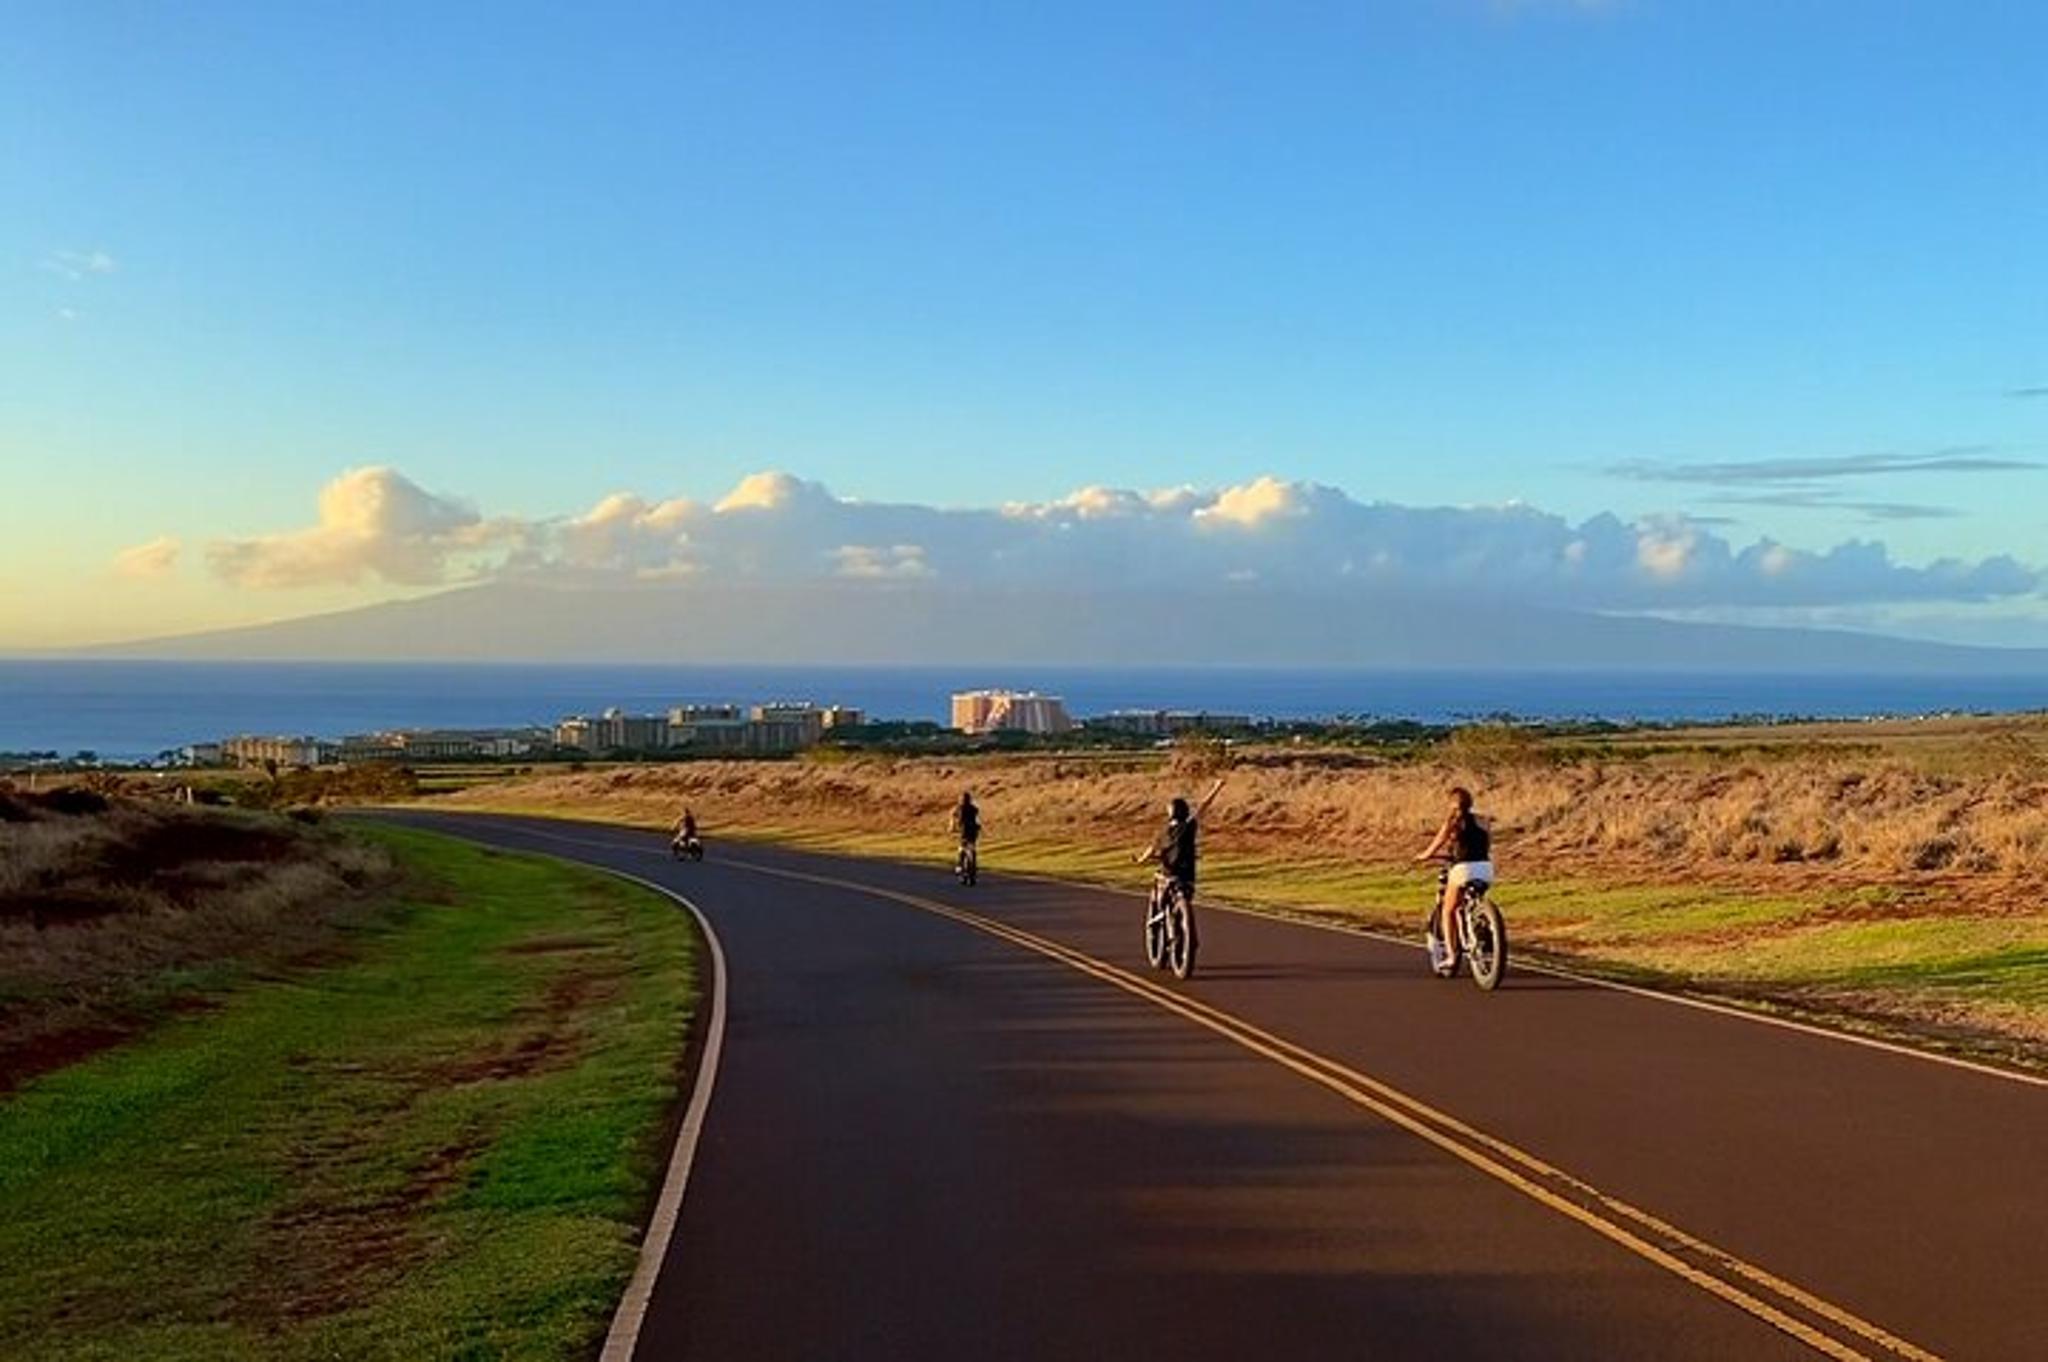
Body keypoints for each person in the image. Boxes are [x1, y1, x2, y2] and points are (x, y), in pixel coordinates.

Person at [1412, 786, 1493, 968]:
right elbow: (1487, 845)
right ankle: (1483, 928)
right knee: (1474, 900)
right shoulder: (1483, 821)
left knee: (1448, 910)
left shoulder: (1452, 823)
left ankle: (1451, 955)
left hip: (1462, 869)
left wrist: (1423, 856)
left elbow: (1435, 846)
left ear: (1451, 804)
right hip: (1486, 868)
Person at [950, 791, 981, 873]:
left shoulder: (958, 808)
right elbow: (977, 820)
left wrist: (952, 827)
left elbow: (953, 818)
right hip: (973, 830)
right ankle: (972, 865)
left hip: (964, 830)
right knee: (972, 846)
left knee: (961, 847)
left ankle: (960, 864)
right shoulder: (974, 808)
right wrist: (978, 826)